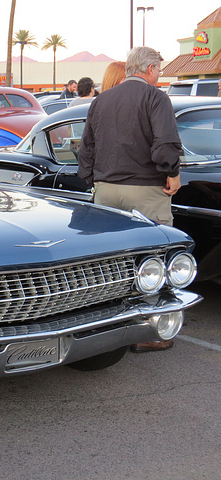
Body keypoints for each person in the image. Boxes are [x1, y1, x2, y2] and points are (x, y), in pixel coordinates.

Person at [78, 46, 183, 353]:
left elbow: (87, 146)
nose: (159, 75)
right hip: (145, 190)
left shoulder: (102, 99)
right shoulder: (156, 98)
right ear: (149, 69)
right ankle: (149, 333)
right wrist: (172, 172)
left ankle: (105, 328)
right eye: (159, 70)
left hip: (106, 189)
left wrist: (93, 179)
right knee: (154, 259)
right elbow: (165, 143)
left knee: (107, 262)